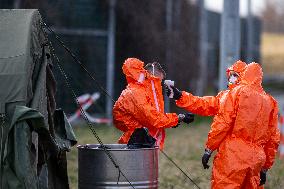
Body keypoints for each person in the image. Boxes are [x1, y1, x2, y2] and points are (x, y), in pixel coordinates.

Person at [167, 62, 280, 188]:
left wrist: (209, 149)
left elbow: (222, 122)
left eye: (234, 75)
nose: (230, 78)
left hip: (233, 155)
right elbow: (273, 138)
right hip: (257, 160)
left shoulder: (234, 94)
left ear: (243, 75)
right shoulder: (270, 102)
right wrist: (265, 167)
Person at [113, 58, 194, 149]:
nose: (159, 85)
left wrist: (175, 121)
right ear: (151, 76)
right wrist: (179, 118)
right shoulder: (136, 93)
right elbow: (154, 119)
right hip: (136, 145)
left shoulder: (139, 91)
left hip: (139, 141)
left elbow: (152, 116)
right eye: (158, 81)